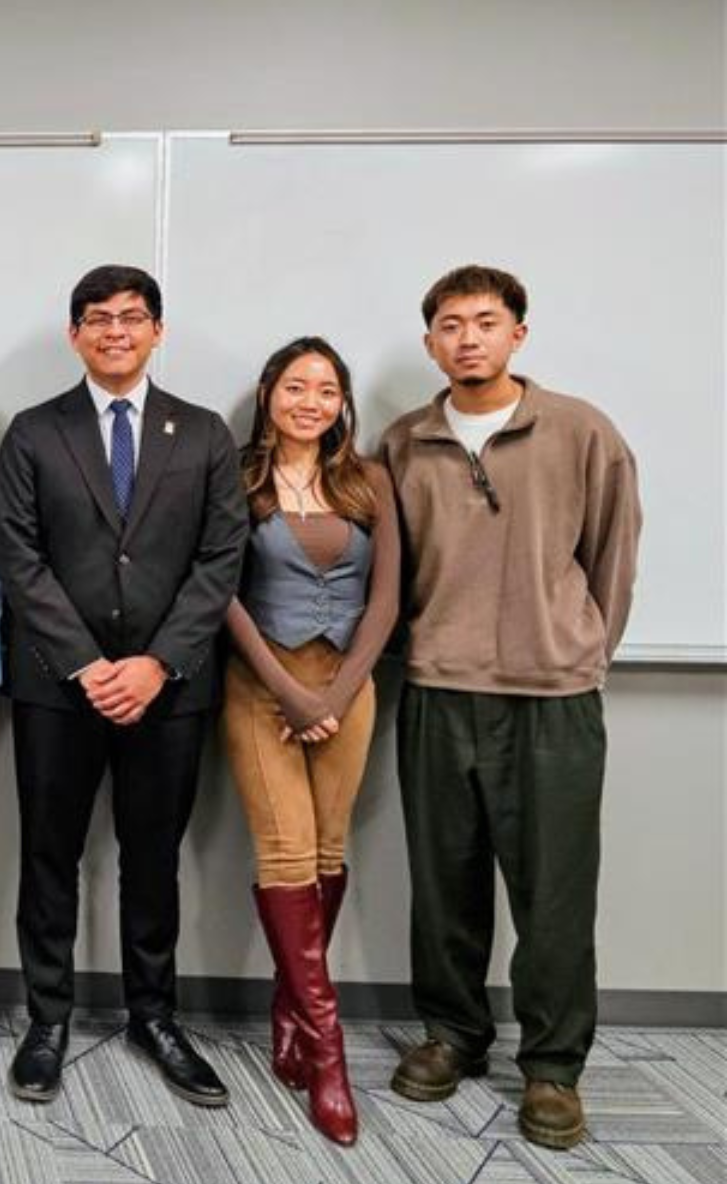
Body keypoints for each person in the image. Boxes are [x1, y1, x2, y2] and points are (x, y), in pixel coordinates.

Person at [380, 265, 640, 1151]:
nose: (468, 339)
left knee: (556, 892)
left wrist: (574, 651)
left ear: (518, 334)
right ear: (430, 343)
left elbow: (611, 557)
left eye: (485, 323)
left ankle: (554, 1067)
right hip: (439, 691)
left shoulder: (579, 432)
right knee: (443, 882)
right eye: (450, 325)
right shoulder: (404, 443)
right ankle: (453, 1033)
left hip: (551, 700)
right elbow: (391, 577)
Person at [0, 264, 248, 1106]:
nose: (115, 332)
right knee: (49, 857)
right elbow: (18, 558)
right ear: (74, 334)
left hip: (169, 690)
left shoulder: (204, 434)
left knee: (153, 861)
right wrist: (88, 663)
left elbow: (220, 559)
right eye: (97, 319)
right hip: (59, 690)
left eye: (132, 318)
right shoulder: (33, 432)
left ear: (158, 331)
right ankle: (48, 1018)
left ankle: (154, 1016)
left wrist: (157, 662)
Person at [219, 337, 399, 1145]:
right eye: (296, 386)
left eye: (327, 389)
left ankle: (290, 1012)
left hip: (350, 692)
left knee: (328, 852)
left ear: (341, 404)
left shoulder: (369, 482)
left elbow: (389, 600)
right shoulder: (238, 479)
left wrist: (339, 690)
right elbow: (220, 594)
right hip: (262, 691)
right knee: (287, 855)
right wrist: (292, 694)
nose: (311, 401)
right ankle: (329, 1058)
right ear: (269, 394)